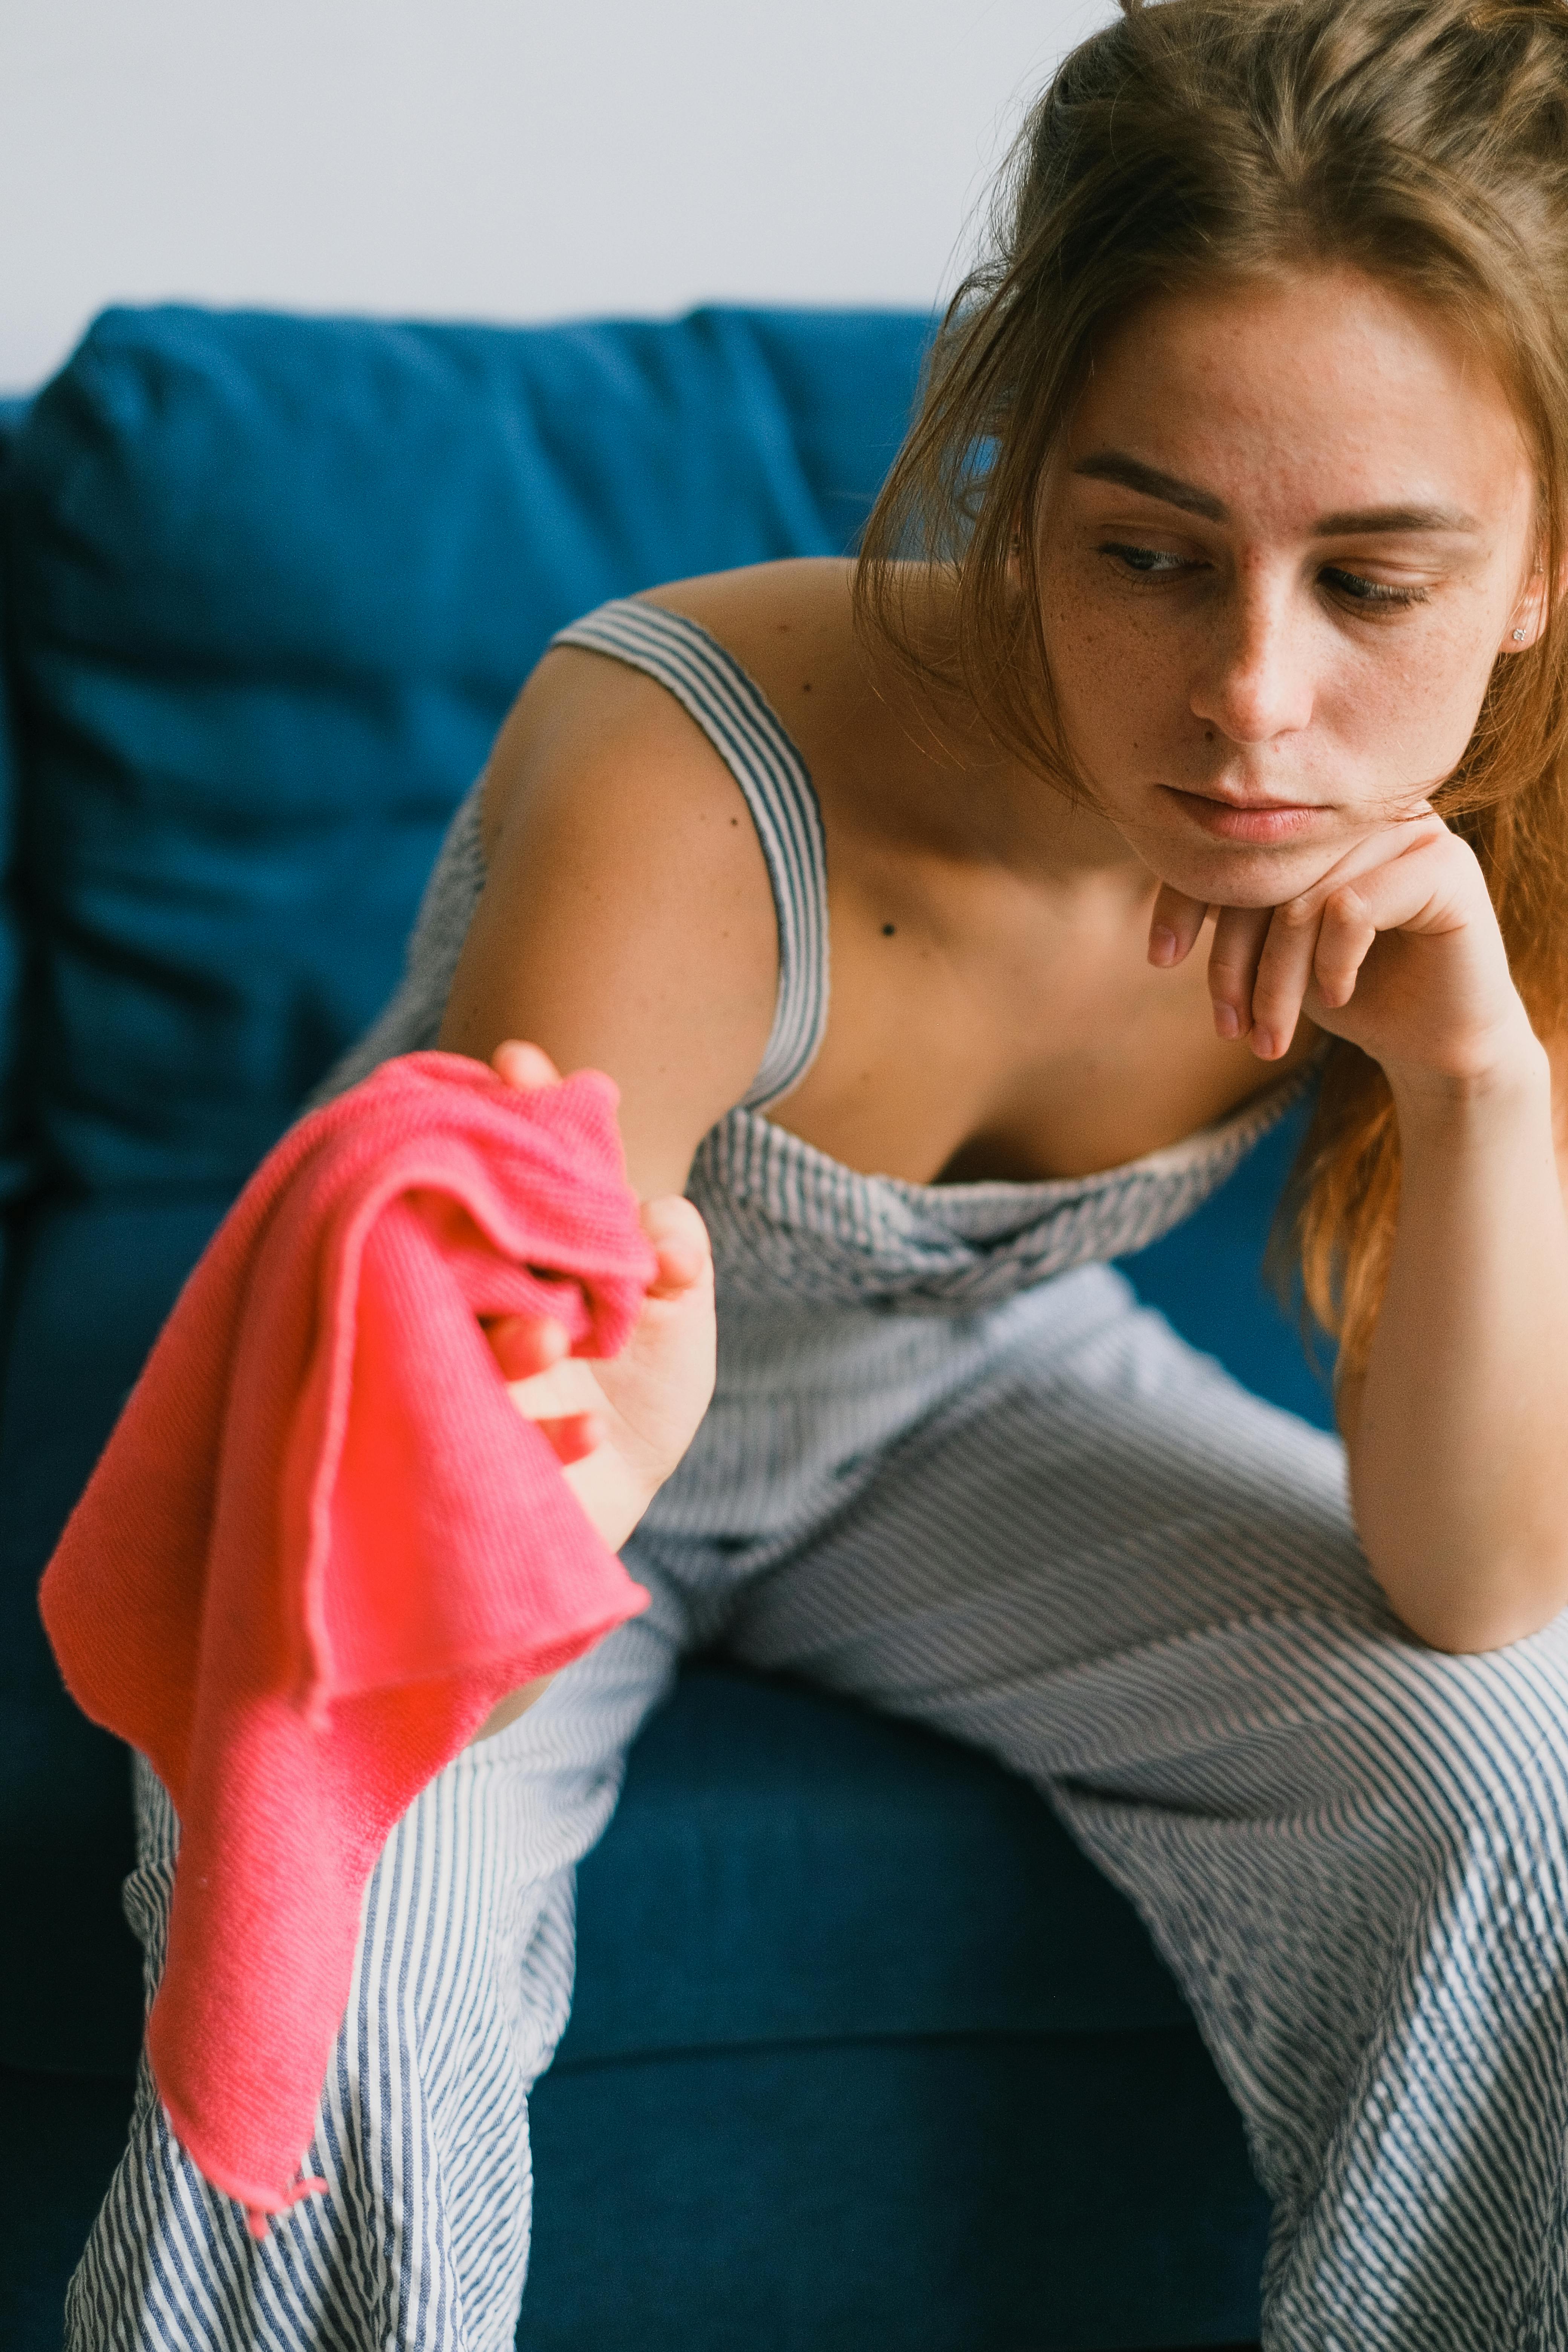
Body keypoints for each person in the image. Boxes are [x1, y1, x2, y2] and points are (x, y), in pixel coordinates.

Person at [70, 0, 1568, 2342]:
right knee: (353, 1892)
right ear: (1016, 464)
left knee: (1519, 1767)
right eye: (1149, 555)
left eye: (1373, 583)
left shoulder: (1477, 838)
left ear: (1539, 570)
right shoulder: (689, 759)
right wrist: (589, 1440)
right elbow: (494, 1452)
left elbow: (1477, 1588)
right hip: (500, 1436)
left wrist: (1478, 1080)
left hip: (954, 1416)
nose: (1254, 704)